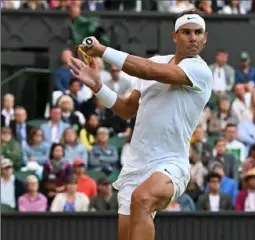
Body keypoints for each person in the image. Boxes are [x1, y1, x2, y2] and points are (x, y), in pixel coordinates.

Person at [69, 10, 212, 240]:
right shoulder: (156, 61)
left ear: (205, 38)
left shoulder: (200, 70)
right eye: (187, 32)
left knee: (142, 198)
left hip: (171, 163)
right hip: (136, 165)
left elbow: (149, 70)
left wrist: (101, 51)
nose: (193, 38)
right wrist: (98, 87)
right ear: (175, 36)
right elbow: (126, 109)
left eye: (198, 33)